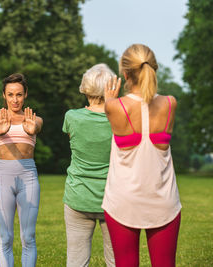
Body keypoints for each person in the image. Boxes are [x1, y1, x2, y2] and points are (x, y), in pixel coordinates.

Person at [102, 44, 181, 267]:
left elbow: (109, 106)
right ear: (153, 69)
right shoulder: (170, 103)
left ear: (125, 73)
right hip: (163, 202)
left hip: (123, 202)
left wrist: (109, 98)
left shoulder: (114, 107)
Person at [0, 73, 43, 267]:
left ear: (25, 94)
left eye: (19, 94)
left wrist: (32, 128)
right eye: (10, 95)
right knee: (6, 237)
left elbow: (36, 127)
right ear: (4, 95)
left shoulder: (34, 120)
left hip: (28, 176)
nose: (15, 99)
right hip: (3, 177)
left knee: (28, 236)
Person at [62, 64, 115, 267]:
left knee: (76, 261)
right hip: (112, 198)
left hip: (78, 197)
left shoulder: (71, 117)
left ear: (85, 86)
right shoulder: (119, 119)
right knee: (115, 261)